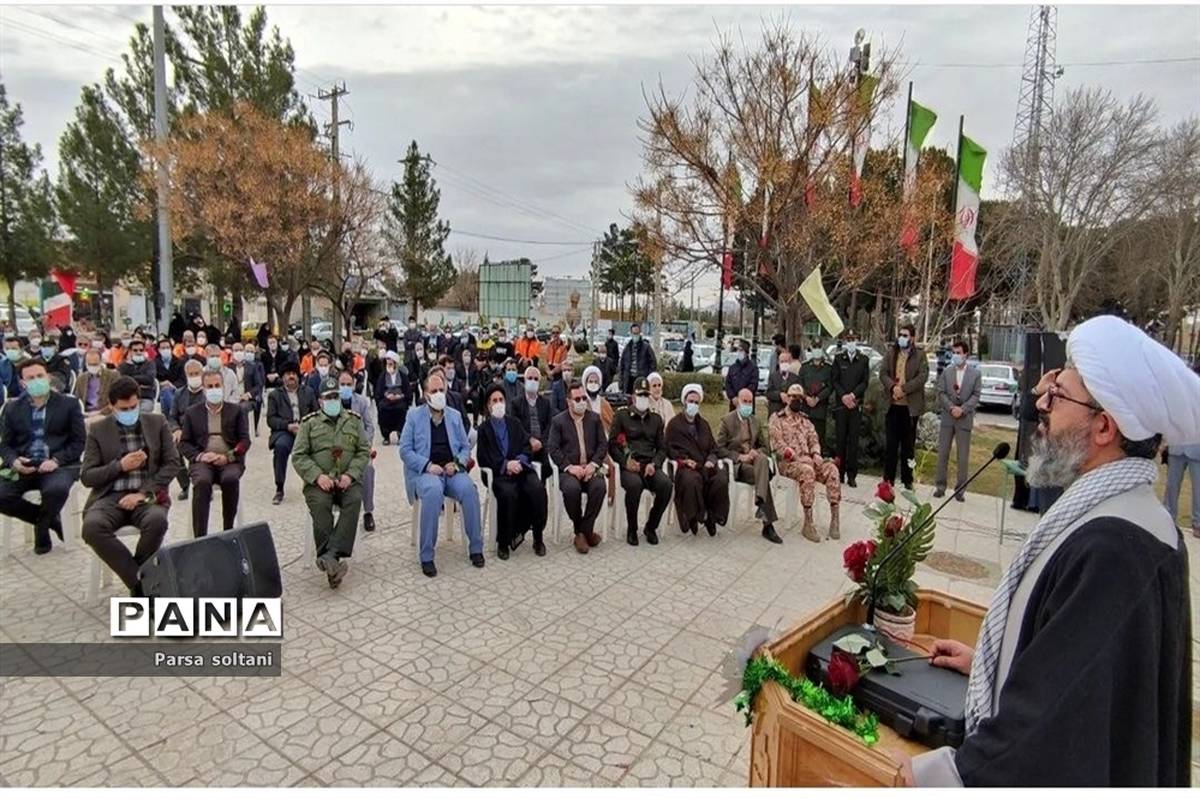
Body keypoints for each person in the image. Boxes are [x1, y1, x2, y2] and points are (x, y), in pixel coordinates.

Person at [908, 315, 1197, 787]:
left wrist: (940, 778)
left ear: (1104, 427)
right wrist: (996, 662)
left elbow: (1053, 727)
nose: (1040, 402)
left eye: (1057, 393)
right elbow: (1073, 664)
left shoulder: (1117, 550)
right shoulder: (1109, 514)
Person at [79, 377, 179, 595]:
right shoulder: (99, 430)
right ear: (112, 406)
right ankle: (141, 584)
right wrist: (120, 466)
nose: (130, 412)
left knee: (157, 521)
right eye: (124, 409)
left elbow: (172, 464)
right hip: (109, 496)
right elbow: (87, 476)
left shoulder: (156, 422)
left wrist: (143, 493)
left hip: (146, 495)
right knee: (92, 527)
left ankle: (138, 583)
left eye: (134, 407)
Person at [400, 372, 485, 577]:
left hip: (450, 471)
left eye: (441, 390)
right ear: (425, 394)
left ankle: (475, 548)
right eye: (434, 391)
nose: (439, 394)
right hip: (426, 473)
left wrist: (457, 464)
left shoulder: (454, 416)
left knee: (469, 490)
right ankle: (427, 555)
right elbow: (404, 450)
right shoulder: (413, 416)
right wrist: (427, 465)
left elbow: (465, 448)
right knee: (433, 491)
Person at [290, 377, 371, 588]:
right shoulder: (309, 424)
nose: (333, 400)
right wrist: (317, 476)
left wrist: (350, 475)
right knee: (320, 505)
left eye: (336, 396)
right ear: (320, 401)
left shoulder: (354, 420)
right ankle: (333, 563)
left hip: (347, 480)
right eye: (328, 398)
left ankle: (329, 557)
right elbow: (298, 456)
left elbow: (363, 451)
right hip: (319, 482)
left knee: (354, 500)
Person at [0, 359, 87, 553]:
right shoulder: (12, 408)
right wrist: (14, 460)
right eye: (30, 378)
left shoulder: (68, 404)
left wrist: (56, 460)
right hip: (25, 465)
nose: (36, 380)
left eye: (40, 376)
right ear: (22, 383)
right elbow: (5, 445)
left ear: (48, 377)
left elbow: (79, 442)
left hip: (59, 464)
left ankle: (41, 527)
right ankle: (50, 521)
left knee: (55, 491)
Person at [477, 383, 548, 559]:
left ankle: (538, 537)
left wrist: (520, 462)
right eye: (494, 400)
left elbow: (526, 446)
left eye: (501, 399)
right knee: (509, 494)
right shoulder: (484, 429)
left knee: (537, 489)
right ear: (488, 405)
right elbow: (483, 457)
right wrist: (505, 465)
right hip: (499, 474)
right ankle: (503, 541)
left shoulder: (514, 423)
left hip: (522, 469)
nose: (498, 403)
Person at [178, 368, 250, 537]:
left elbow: (245, 441)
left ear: (223, 386)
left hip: (229, 460)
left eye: (217, 385)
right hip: (203, 461)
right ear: (203, 389)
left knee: (230, 479)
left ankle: (229, 531)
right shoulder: (192, 412)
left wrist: (228, 456)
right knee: (202, 482)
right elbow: (184, 443)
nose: (214, 389)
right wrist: (201, 456)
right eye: (209, 386)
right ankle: (200, 536)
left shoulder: (236, 411)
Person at [770, 383, 840, 542]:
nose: (797, 400)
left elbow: (814, 439)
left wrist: (816, 453)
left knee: (832, 470)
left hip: (809, 460)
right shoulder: (777, 419)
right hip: (789, 464)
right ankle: (808, 522)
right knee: (807, 471)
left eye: (800, 398)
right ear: (787, 398)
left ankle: (835, 518)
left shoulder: (805, 420)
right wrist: (797, 457)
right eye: (794, 397)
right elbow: (778, 446)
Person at [547, 380, 609, 554]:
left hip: (590, 467)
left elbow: (602, 445)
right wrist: (569, 467)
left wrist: (593, 464)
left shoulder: (594, 418)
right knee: (571, 489)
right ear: (569, 401)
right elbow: (553, 448)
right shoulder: (558, 421)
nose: (581, 401)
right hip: (570, 470)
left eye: (583, 397)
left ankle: (584, 531)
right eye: (577, 398)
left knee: (599, 486)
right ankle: (581, 530)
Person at [609, 377, 672, 546]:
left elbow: (662, 448)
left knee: (666, 485)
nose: (643, 398)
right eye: (640, 395)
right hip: (629, 465)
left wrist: (655, 464)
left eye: (646, 395)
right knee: (634, 486)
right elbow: (613, 445)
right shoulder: (622, 415)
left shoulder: (656, 420)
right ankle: (632, 528)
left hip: (649, 465)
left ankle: (651, 526)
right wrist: (625, 462)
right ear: (633, 396)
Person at [717, 387, 782, 543]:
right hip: (739, 467)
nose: (747, 405)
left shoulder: (755, 421)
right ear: (737, 402)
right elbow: (719, 448)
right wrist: (741, 456)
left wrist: (754, 452)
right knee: (764, 475)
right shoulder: (727, 421)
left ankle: (761, 505)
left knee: (761, 460)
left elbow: (765, 447)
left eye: (749, 402)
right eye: (744, 401)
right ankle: (768, 525)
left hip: (755, 464)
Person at [665, 384, 729, 536]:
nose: (693, 405)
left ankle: (712, 517)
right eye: (690, 401)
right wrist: (684, 461)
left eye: (696, 402)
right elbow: (669, 448)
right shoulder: (674, 425)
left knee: (720, 478)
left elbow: (714, 448)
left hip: (705, 465)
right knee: (691, 480)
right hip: (686, 466)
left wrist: (711, 460)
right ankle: (693, 516)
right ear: (684, 401)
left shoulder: (704, 424)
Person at [879, 323, 928, 490]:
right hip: (892, 406)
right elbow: (883, 373)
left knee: (908, 447)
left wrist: (903, 390)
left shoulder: (920, 355)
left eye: (905, 335)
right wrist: (893, 388)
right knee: (891, 446)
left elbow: (922, 377)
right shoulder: (891, 353)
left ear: (912, 338)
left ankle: (907, 480)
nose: (902, 338)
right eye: (900, 334)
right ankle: (888, 480)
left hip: (910, 408)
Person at [934, 340, 982, 501]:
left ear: (966, 354)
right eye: (953, 352)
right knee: (943, 453)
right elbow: (940, 392)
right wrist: (951, 408)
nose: (955, 356)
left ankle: (960, 490)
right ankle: (940, 486)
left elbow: (976, 395)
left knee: (962, 457)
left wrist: (963, 409)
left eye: (958, 353)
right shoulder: (947, 372)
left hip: (964, 419)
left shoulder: (975, 374)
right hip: (948, 418)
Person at [267, 363, 318, 505]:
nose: (291, 376)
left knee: (318, 446)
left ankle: (315, 483)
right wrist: (288, 426)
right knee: (281, 447)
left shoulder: (308, 392)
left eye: (294, 374)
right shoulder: (275, 395)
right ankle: (279, 487)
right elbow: (271, 419)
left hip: (306, 430)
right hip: (285, 431)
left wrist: (305, 426)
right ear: (282, 377)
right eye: (288, 374)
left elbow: (316, 412)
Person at [336, 369, 376, 531]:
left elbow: (369, 426)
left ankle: (368, 512)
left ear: (353, 386)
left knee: (368, 469)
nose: (345, 387)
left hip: (358, 449)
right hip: (338, 451)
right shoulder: (331, 402)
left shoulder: (362, 402)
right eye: (342, 384)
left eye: (348, 384)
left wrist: (363, 445)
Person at [830, 332, 870, 488]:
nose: (851, 342)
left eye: (853, 340)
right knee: (840, 440)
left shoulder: (863, 360)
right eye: (848, 340)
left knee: (853, 441)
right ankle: (839, 473)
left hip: (855, 404)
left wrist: (853, 396)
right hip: (842, 405)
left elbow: (864, 382)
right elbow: (835, 380)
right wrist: (844, 396)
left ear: (858, 341)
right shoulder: (839, 359)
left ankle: (852, 475)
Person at [168, 359, 206, 500]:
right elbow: (172, 416)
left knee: (196, 449)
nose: (194, 376)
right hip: (182, 431)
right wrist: (176, 429)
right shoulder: (179, 393)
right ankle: (185, 485)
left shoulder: (208, 393)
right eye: (191, 374)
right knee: (173, 450)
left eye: (196, 373)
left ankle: (199, 484)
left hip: (201, 432)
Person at [512, 364, 553, 477]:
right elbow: (516, 426)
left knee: (548, 467)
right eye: (530, 378)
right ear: (524, 380)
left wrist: (541, 442)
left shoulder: (545, 403)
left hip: (542, 445)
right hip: (524, 445)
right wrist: (530, 439)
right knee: (524, 467)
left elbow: (549, 425)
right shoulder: (516, 403)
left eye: (536, 379)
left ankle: (541, 487)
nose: (532, 381)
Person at [797, 343, 833, 453]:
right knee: (804, 437)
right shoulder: (805, 367)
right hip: (806, 408)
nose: (817, 350)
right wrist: (806, 397)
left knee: (819, 437)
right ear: (811, 349)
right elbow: (800, 384)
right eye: (815, 347)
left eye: (819, 347)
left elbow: (830, 386)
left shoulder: (828, 368)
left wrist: (818, 398)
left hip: (820, 408)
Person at [1163, 440, 1199, 539]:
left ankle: (1198, 524)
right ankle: (1168, 519)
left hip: (1197, 451)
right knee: (1171, 486)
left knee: (1198, 489)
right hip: (1176, 449)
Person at [375, 351, 410, 445]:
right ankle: (386, 436)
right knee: (382, 408)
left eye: (391, 364)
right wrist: (386, 395)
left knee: (402, 408)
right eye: (388, 364)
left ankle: (400, 433)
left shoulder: (402, 376)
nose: (389, 366)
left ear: (395, 364)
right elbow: (379, 391)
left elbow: (407, 391)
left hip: (400, 400)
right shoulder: (383, 376)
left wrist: (400, 396)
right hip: (386, 400)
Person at [232, 342, 265, 436]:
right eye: (236, 350)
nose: (238, 352)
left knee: (242, 408)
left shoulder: (252, 367)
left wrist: (249, 394)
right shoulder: (228, 368)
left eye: (240, 350)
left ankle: (244, 434)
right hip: (232, 398)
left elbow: (259, 385)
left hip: (248, 399)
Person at [74, 348, 118, 419]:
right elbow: (77, 400)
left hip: (106, 414)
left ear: (101, 362)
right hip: (86, 414)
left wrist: (100, 413)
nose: (92, 367)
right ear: (85, 364)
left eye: (95, 364)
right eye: (90, 364)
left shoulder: (112, 376)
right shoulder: (81, 378)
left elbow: (116, 401)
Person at [118, 338, 158, 412]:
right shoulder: (123, 365)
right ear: (130, 351)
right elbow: (122, 381)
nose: (138, 352)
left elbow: (149, 379)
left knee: (142, 411)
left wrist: (130, 377)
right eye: (135, 350)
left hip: (145, 397)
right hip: (128, 397)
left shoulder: (150, 363)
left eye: (141, 350)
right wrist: (140, 381)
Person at [618, 322, 657, 394]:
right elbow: (622, 366)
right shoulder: (627, 348)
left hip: (641, 379)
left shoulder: (646, 347)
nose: (635, 335)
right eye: (634, 333)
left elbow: (653, 363)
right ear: (631, 333)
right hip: (629, 379)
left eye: (637, 333)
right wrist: (621, 382)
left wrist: (648, 377)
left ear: (640, 333)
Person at [723, 339, 759, 410]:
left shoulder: (753, 368)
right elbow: (728, 383)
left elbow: (753, 385)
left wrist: (742, 397)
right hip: (734, 403)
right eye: (738, 350)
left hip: (747, 403)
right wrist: (733, 397)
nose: (739, 352)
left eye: (741, 350)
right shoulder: (733, 367)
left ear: (746, 352)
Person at [766, 348, 801, 417]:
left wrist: (790, 397)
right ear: (778, 362)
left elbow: (798, 396)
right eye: (782, 361)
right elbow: (769, 393)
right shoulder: (773, 377)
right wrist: (780, 395)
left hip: (790, 414)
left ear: (790, 362)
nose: (784, 363)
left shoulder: (795, 378)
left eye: (786, 361)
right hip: (775, 412)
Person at [155, 335, 183, 418]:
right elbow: (152, 378)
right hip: (160, 390)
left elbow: (182, 379)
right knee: (166, 392)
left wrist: (172, 385)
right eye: (163, 348)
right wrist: (161, 383)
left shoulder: (179, 362)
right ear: (159, 350)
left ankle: (170, 419)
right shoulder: (153, 363)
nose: (165, 350)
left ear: (171, 349)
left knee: (169, 392)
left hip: (176, 389)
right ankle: (173, 417)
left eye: (167, 347)